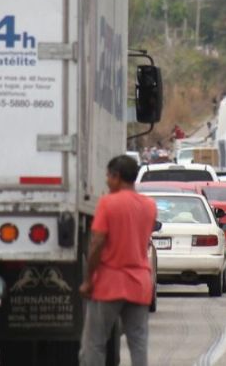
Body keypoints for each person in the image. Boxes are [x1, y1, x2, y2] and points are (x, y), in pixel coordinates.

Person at [79, 155, 157, 366]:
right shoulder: (149, 206)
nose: (106, 180)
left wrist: (88, 279)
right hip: (139, 283)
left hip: (109, 282)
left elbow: (97, 244)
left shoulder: (107, 203)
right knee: (138, 343)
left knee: (94, 343)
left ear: (117, 176)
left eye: (108, 176)